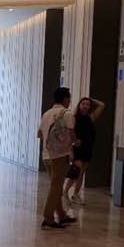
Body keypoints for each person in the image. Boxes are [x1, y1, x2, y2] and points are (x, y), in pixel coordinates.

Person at [38, 87, 78, 229]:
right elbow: (72, 135)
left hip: (46, 155)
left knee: (56, 185)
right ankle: (48, 218)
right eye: (69, 98)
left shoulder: (46, 114)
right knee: (56, 187)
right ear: (65, 99)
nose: (70, 101)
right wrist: (76, 143)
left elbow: (39, 134)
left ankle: (61, 215)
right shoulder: (67, 114)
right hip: (60, 156)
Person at [64, 97, 105, 206]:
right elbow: (69, 134)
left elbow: (102, 105)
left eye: (88, 104)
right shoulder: (73, 118)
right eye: (83, 104)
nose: (86, 106)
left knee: (81, 172)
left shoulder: (90, 118)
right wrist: (70, 150)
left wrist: (91, 99)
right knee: (76, 171)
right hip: (77, 148)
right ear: (79, 105)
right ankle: (65, 191)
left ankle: (75, 194)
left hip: (88, 148)